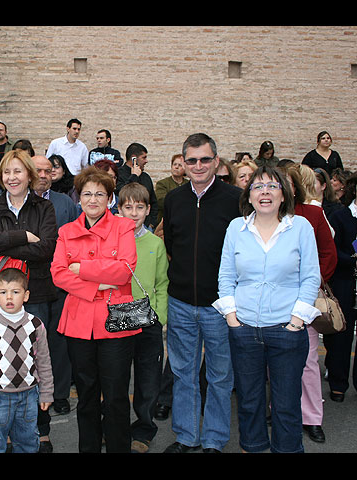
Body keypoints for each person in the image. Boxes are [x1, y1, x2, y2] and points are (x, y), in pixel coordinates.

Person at [214, 165, 321, 453]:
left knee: (286, 405)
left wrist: (296, 322)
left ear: (283, 196)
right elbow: (226, 276)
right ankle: (254, 447)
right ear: (249, 196)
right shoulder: (236, 228)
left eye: (272, 186)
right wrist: (233, 320)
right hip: (245, 330)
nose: (265, 192)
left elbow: (311, 277)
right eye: (258, 186)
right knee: (249, 403)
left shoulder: (300, 228)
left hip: (286, 330)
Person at [0, 149, 58, 451]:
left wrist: (4, 241)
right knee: (0, 360)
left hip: (35, 293)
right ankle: (5, 431)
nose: (12, 178)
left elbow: (46, 249)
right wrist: (23, 235)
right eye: (7, 173)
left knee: (34, 360)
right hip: (0, 294)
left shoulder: (44, 207)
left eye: (18, 172)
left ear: (29, 176)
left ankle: (40, 431)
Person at [162, 133, 241, 453]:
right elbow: (171, 247)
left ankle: (213, 441)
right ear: (183, 163)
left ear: (216, 162)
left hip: (220, 306)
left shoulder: (235, 199)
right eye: (191, 160)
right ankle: (186, 437)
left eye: (205, 159)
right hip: (181, 302)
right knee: (183, 375)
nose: (198, 165)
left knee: (220, 378)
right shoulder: (174, 199)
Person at [50, 166, 138, 453]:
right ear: (78, 197)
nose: (93, 199)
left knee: (115, 396)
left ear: (110, 198)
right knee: (86, 395)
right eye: (87, 193)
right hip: (79, 321)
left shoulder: (124, 226)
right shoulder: (66, 231)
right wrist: (96, 285)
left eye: (100, 193)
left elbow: (125, 270)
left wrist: (82, 268)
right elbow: (58, 273)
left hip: (118, 318)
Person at [0, 268, 54, 453]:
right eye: (3, 292)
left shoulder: (35, 325)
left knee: (28, 441)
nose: (9, 297)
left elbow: (44, 361)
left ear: (26, 295)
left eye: (15, 292)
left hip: (29, 395)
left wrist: (47, 392)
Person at [284, 164, 337, 443]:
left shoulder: (314, 214)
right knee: (277, 362)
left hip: (305, 299)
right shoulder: (268, 216)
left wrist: (311, 286)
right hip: (275, 300)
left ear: (295, 187)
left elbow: (328, 255)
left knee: (307, 360)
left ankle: (312, 417)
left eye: (288, 183)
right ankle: (280, 409)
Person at [117, 182, 169, 454]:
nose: (134, 213)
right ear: (119, 209)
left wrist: (159, 316)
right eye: (128, 207)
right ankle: (114, 427)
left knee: (148, 378)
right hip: (118, 317)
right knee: (115, 378)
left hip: (148, 318)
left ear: (148, 210)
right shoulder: (111, 241)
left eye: (140, 207)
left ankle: (144, 428)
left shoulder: (155, 244)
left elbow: (162, 283)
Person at [32, 154, 77, 416]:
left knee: (59, 341)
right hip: (31, 284)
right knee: (34, 341)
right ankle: (36, 393)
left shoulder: (65, 203)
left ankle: (59, 393)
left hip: (61, 285)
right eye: (38, 170)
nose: (44, 175)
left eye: (48, 171)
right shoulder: (22, 204)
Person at [326, 169, 357, 407]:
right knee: (341, 335)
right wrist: (352, 260)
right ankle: (337, 382)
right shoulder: (340, 215)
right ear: (353, 187)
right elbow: (331, 249)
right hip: (345, 282)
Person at [116, 143, 159, 229]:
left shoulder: (146, 176)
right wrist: (134, 176)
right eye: (144, 157)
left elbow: (153, 201)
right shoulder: (118, 174)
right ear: (133, 158)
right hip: (124, 226)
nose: (146, 161)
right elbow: (121, 193)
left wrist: (152, 223)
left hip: (146, 226)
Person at [154, 154, 188, 226]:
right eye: (174, 164)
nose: (176, 167)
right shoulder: (162, 183)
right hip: (166, 223)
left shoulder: (189, 184)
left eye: (180, 165)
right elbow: (162, 202)